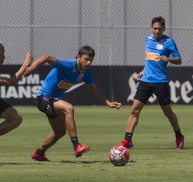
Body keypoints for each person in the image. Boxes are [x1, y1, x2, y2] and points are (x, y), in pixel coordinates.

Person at [23, 45, 122, 161]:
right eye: (86, 59)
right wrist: (32, 68)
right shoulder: (69, 64)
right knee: (69, 108)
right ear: (78, 57)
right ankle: (76, 146)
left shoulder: (85, 73)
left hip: (52, 102)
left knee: (59, 132)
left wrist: (108, 102)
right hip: (44, 98)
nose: (89, 62)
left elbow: (94, 90)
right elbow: (47, 57)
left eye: (91, 60)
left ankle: (38, 153)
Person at [119, 16, 184, 149]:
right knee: (134, 110)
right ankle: (127, 140)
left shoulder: (169, 42)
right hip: (146, 81)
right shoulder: (148, 39)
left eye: (160, 28)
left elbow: (179, 60)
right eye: (155, 28)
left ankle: (179, 136)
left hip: (160, 82)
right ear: (151, 28)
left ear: (164, 29)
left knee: (167, 112)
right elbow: (150, 59)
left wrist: (169, 60)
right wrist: (144, 70)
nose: (157, 31)